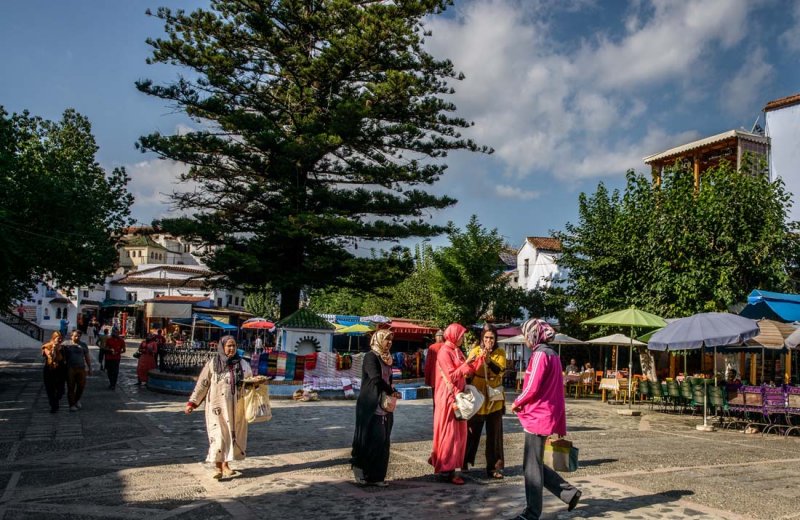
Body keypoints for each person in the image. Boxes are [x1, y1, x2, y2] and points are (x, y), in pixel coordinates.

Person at [511, 319, 581, 520]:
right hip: (547, 413)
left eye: (526, 334)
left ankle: (532, 513)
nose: (525, 338)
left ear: (533, 334)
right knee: (534, 463)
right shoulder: (553, 354)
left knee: (531, 466)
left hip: (537, 415)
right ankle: (568, 493)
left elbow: (531, 386)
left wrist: (517, 402)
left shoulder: (540, 355)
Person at [185, 335, 253, 479]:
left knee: (231, 434)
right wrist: (192, 402)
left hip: (236, 407)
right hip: (216, 407)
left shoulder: (242, 364)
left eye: (234, 345)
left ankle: (226, 465)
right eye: (229, 346)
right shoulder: (213, 363)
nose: (231, 348)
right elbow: (202, 383)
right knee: (218, 435)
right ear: (222, 347)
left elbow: (250, 382)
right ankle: (217, 466)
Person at [429, 323, 486, 485]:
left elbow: (467, 371)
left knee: (459, 434)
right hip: (448, 398)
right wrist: (467, 361)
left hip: (457, 396)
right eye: (461, 335)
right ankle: (449, 469)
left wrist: (478, 360)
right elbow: (453, 375)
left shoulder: (456, 350)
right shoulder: (444, 352)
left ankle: (446, 463)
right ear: (454, 335)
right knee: (450, 434)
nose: (463, 338)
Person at [351, 329, 400, 487]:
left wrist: (393, 391)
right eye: (387, 339)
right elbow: (375, 378)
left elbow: (389, 379)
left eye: (391, 340)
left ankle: (378, 476)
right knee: (369, 438)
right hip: (371, 403)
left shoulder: (387, 358)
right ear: (378, 340)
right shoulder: (370, 357)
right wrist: (391, 390)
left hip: (385, 404)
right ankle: (363, 473)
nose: (389, 343)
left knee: (383, 440)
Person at [464, 323, 507, 479]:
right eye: (486, 337)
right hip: (478, 395)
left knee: (494, 434)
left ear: (495, 339)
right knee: (471, 431)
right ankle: (465, 461)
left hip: (494, 397)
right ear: (482, 337)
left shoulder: (500, 352)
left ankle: (494, 467)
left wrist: (488, 360)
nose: (489, 340)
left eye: (492, 338)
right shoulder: (475, 350)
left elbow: (499, 370)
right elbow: (468, 372)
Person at [63, 330, 92, 412]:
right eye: (75, 336)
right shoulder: (66, 344)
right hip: (70, 368)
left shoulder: (83, 345)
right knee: (71, 386)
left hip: (81, 368)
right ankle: (71, 404)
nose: (77, 337)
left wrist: (89, 367)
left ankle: (76, 399)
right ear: (71, 336)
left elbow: (87, 357)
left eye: (79, 336)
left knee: (81, 386)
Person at [41, 331, 64, 413]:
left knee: (60, 390)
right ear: (54, 338)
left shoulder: (63, 348)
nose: (60, 340)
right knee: (50, 389)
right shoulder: (47, 346)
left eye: (61, 338)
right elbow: (51, 357)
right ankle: (54, 406)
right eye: (58, 338)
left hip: (60, 370)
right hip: (50, 370)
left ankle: (56, 401)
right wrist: (53, 349)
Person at [423, 329, 445, 398]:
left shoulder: (432, 347)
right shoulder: (447, 347)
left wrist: (427, 378)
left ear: (436, 337)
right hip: (445, 377)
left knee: (435, 398)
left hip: (434, 377)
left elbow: (428, 364)